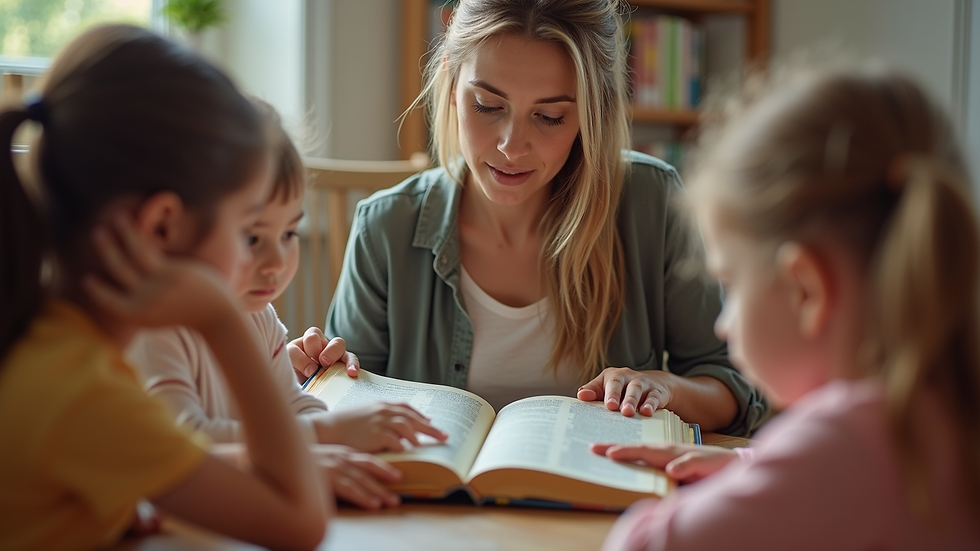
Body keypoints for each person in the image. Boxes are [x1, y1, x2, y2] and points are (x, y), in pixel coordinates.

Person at [289, 0, 767, 436]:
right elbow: (345, 412)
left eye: (550, 117)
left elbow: (733, 390)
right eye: (488, 105)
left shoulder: (651, 202)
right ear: (451, 84)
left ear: (590, 113)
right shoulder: (385, 227)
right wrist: (319, 380)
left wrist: (665, 389)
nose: (510, 147)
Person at [593, 64, 980, 550]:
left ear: (806, 290)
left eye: (730, 285)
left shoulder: (845, 439)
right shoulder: (941, 410)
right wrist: (750, 468)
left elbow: (644, 546)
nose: (723, 323)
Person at [0, 25, 329, 549]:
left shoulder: (56, 347)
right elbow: (301, 521)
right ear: (161, 229)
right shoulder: (82, 391)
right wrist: (223, 321)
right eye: (245, 226)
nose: (260, 255)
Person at [127, 97, 447, 510]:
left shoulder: (257, 316)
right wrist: (327, 433)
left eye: (289, 234)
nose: (277, 263)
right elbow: (187, 441)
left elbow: (290, 405)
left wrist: (350, 438)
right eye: (252, 238)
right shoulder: (157, 329)